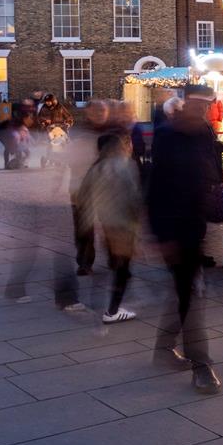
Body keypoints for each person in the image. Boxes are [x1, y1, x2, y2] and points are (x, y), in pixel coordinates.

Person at [146, 86, 223, 392]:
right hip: (171, 227)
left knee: (185, 292)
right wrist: (160, 235)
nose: (202, 111)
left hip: (195, 225)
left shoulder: (204, 134)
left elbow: (210, 174)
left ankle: (163, 350)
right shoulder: (167, 136)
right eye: (197, 104)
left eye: (207, 106)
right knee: (191, 294)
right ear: (184, 104)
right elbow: (155, 186)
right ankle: (201, 365)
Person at [81, 120, 144, 323]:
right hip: (123, 225)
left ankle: (103, 304)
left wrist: (89, 222)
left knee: (117, 266)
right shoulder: (124, 167)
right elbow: (133, 198)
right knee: (122, 269)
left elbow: (85, 198)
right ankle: (112, 311)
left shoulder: (95, 168)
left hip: (106, 224)